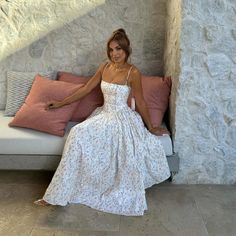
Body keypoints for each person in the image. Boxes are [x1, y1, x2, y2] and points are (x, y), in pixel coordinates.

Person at [34, 28, 170, 216]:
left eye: (118, 50)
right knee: (77, 133)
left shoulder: (133, 72)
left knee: (112, 145)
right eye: (111, 50)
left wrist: (152, 127)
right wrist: (60, 103)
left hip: (122, 118)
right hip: (104, 114)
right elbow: (85, 89)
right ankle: (58, 193)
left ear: (126, 50)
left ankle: (100, 188)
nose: (115, 54)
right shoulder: (104, 67)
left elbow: (140, 101)